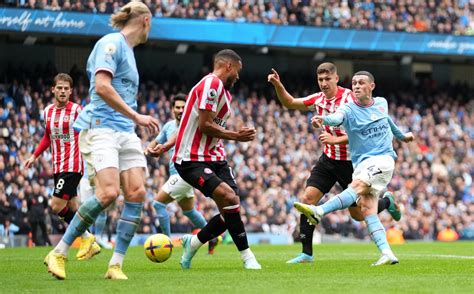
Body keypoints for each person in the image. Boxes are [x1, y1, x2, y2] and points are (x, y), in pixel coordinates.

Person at [44, 1, 159, 280]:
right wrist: (137, 115)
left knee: (137, 193)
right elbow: (103, 86)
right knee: (108, 193)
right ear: (145, 20)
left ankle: (115, 265)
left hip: (124, 131)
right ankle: (58, 252)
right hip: (102, 127)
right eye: (151, 23)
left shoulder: (129, 52)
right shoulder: (112, 43)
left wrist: (132, 120)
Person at [267, 63, 401, 264]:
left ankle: (387, 202)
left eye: (327, 79)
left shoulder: (351, 99)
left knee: (358, 214)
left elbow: (363, 133)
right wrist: (278, 85)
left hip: (353, 163)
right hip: (329, 160)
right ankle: (306, 254)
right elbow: (290, 102)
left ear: (336, 79)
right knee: (307, 198)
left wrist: (336, 140)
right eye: (320, 80)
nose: (323, 83)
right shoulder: (318, 99)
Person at [294, 70, 414, 266]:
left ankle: (320, 211)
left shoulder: (382, 103)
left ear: (371, 86)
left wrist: (402, 136)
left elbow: (388, 121)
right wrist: (323, 119)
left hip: (382, 160)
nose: (357, 86)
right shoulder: (348, 109)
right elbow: (335, 118)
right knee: (366, 209)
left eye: (361, 83)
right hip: (360, 164)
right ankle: (387, 252)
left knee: (357, 186)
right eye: (354, 83)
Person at [172, 49, 261, 270]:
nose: (238, 77)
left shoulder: (224, 93)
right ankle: (247, 257)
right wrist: (236, 136)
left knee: (230, 209)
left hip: (215, 158)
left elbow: (192, 124)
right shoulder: (211, 85)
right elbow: (204, 124)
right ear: (229, 66)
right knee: (228, 197)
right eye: (238, 71)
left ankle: (192, 244)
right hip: (192, 159)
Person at [24, 73, 99, 257]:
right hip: (58, 166)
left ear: (71, 91)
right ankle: (91, 241)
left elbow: (90, 133)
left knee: (56, 206)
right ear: (53, 89)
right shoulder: (47, 112)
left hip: (73, 165)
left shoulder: (76, 110)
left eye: (66, 88)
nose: (63, 91)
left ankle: (86, 238)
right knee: (73, 207)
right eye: (60, 88)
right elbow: (48, 136)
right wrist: (35, 155)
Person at [145, 94, 219, 254]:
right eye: (177, 107)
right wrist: (146, 150)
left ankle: (166, 242)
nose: (180, 110)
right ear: (172, 109)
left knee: (158, 203)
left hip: (185, 172)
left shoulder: (192, 126)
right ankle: (211, 235)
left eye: (183, 107)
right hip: (176, 174)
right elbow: (155, 142)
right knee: (189, 211)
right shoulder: (168, 126)